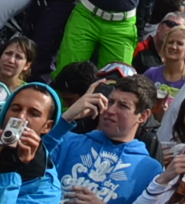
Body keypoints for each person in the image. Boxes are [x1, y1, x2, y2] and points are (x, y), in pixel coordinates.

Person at [48, 73, 163, 204]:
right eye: (110, 102)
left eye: (123, 106)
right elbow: (29, 163)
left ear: (143, 116)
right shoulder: (67, 141)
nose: (110, 110)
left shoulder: (150, 169)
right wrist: (67, 117)